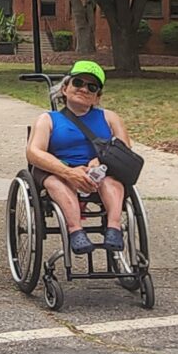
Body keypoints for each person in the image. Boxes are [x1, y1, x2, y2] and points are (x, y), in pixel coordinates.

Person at [26, 60, 131, 255]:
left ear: (97, 97)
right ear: (65, 88)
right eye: (78, 83)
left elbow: (124, 147)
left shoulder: (110, 118)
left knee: (113, 180)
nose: (84, 89)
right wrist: (68, 172)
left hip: (100, 171)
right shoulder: (48, 119)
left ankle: (114, 227)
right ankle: (76, 231)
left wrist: (100, 162)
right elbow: (34, 152)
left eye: (92, 87)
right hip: (59, 169)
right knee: (56, 183)